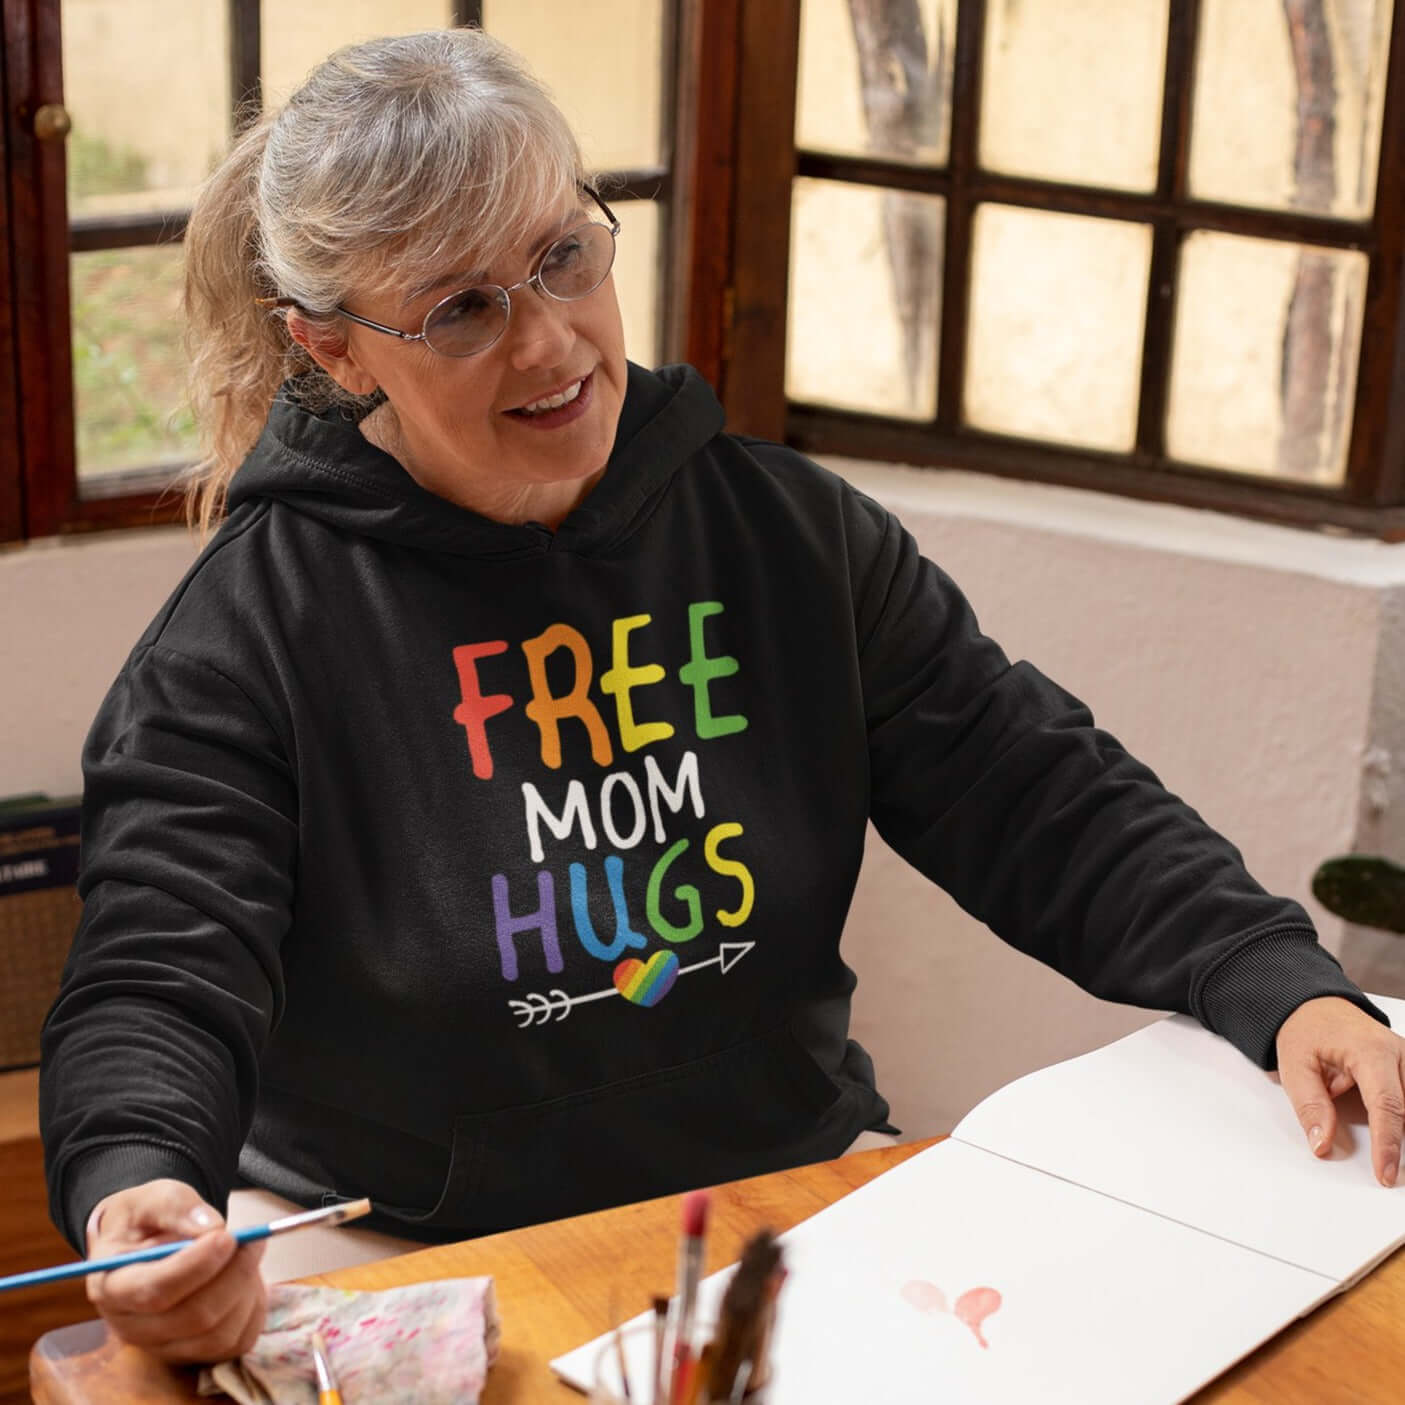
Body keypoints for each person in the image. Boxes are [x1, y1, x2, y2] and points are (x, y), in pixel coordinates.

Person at [40, 25, 1405, 1368]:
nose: (547, 343)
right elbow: (158, 969)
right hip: (412, 1247)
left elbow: (1032, 789)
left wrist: (1270, 978)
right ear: (335, 352)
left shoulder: (787, 536)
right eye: (461, 308)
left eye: (560, 257)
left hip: (789, 1201)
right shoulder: (245, 638)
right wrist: (139, 1178)